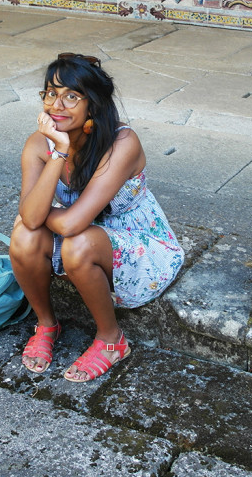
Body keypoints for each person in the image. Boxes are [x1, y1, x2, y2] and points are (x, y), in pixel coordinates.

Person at [10, 53, 184, 382]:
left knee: (76, 244)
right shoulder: (38, 144)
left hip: (137, 243)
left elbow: (70, 224)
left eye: (71, 96)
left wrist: (46, 210)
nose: (56, 105)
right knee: (23, 235)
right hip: (79, 233)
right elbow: (31, 220)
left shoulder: (122, 143)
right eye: (50, 93)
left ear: (94, 105)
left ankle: (111, 340)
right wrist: (58, 152)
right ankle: (47, 324)